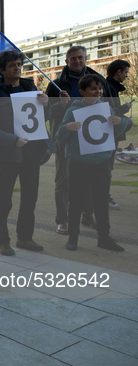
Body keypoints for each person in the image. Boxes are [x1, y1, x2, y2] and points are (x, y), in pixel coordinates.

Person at [0, 49, 52, 256]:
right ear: (2, 70)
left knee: (30, 197)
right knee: (5, 198)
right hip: (9, 153)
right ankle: (2, 240)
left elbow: (41, 120)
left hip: (32, 152)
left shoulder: (30, 89)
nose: (18, 68)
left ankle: (24, 237)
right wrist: (13, 141)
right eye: (12, 65)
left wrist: (46, 106)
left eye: (19, 64)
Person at [55, 74, 128, 252]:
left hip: (101, 163)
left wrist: (121, 122)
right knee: (76, 202)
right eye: (93, 88)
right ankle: (73, 238)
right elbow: (59, 136)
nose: (98, 91)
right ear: (82, 91)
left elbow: (116, 132)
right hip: (78, 164)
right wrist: (67, 127)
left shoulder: (107, 109)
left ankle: (104, 237)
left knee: (101, 202)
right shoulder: (73, 111)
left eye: (100, 88)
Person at [46, 46, 110, 234]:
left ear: (85, 58)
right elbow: (47, 112)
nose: (77, 61)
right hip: (66, 140)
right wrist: (61, 105)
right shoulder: (55, 84)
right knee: (63, 180)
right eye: (73, 58)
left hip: (92, 139)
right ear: (66, 61)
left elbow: (105, 105)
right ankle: (62, 219)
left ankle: (87, 214)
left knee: (90, 179)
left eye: (80, 58)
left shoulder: (97, 80)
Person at [105, 59, 133, 210]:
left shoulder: (111, 87)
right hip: (109, 134)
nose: (127, 76)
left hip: (110, 135)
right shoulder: (108, 87)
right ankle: (104, 196)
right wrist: (124, 109)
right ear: (119, 72)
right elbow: (110, 113)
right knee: (106, 167)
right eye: (126, 72)